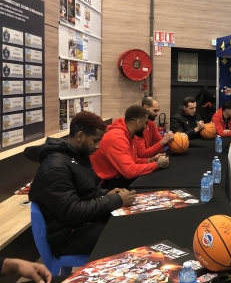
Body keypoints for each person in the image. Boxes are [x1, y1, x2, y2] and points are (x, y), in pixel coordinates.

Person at [26, 112, 136, 257]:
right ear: (80, 136)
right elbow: (73, 212)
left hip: (82, 224)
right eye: (95, 140)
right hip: (67, 235)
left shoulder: (77, 157)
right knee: (129, 240)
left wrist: (106, 194)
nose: (98, 147)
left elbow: (85, 191)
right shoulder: (55, 167)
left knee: (133, 223)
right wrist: (116, 200)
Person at [91, 105, 170, 190]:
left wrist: (150, 160)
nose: (145, 126)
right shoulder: (117, 138)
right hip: (105, 184)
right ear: (138, 122)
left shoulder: (131, 135)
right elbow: (129, 172)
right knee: (152, 179)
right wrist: (157, 165)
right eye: (145, 123)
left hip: (118, 176)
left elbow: (132, 160)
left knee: (152, 175)